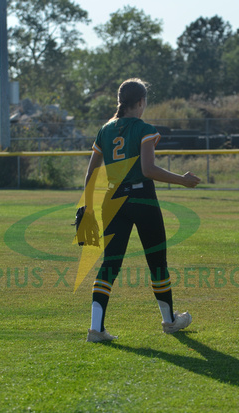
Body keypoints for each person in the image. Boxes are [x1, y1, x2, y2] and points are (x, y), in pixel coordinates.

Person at [84, 78, 201, 343]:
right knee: (157, 262)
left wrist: (87, 206)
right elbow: (148, 170)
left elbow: (91, 172)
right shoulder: (144, 128)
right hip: (142, 197)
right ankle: (170, 321)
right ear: (140, 102)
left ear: (119, 101)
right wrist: (182, 179)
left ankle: (95, 328)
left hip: (112, 199)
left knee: (109, 265)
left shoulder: (105, 129)